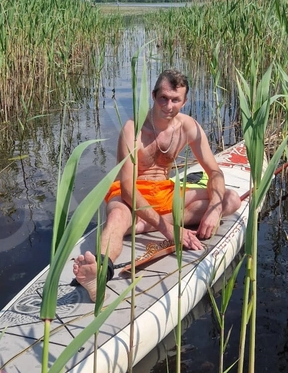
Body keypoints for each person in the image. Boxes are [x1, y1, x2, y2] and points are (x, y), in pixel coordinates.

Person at [73, 69, 242, 301]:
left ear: (185, 101)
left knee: (230, 200)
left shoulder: (188, 126)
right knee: (118, 217)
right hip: (130, 195)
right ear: (154, 96)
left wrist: (214, 208)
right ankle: (100, 273)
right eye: (163, 98)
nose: (168, 105)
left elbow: (214, 172)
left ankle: (141, 226)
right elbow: (128, 190)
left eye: (175, 100)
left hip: (165, 192)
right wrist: (168, 229)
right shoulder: (133, 129)